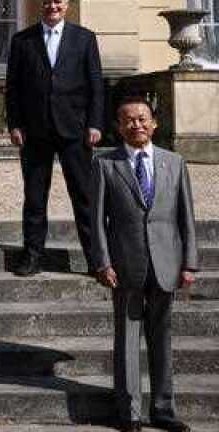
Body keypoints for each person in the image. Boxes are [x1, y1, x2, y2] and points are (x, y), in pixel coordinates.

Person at [92, 97, 198, 432]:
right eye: (128, 120)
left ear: (154, 123)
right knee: (127, 339)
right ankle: (129, 412)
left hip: (166, 262)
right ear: (118, 127)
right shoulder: (106, 164)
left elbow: (187, 218)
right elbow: (96, 221)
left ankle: (163, 408)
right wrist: (102, 262)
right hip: (125, 264)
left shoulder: (175, 162)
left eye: (142, 119)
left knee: (161, 338)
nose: (136, 125)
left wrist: (190, 263)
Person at [5, 0, 104, 276]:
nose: (52, 7)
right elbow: (13, 88)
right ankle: (33, 255)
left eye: (57, 2)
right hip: (35, 130)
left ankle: (96, 259)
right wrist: (15, 124)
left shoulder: (84, 38)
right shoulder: (22, 41)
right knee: (35, 198)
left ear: (67, 5)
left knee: (85, 197)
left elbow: (96, 86)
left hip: (75, 129)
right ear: (41, 4)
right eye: (48, 2)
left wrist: (96, 124)